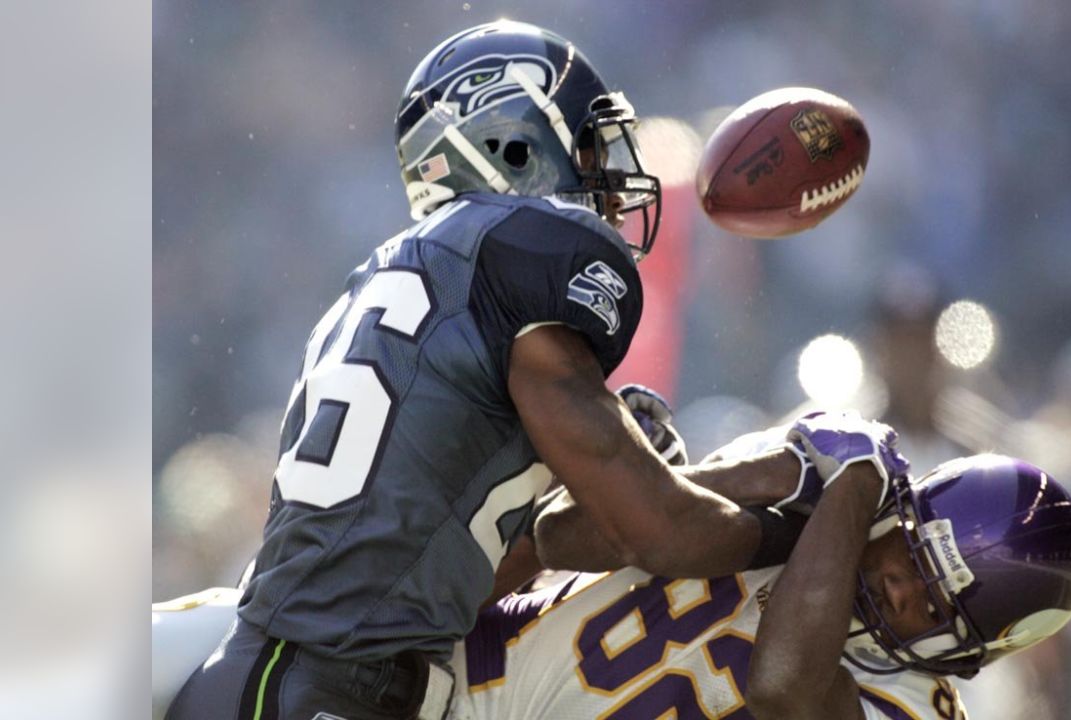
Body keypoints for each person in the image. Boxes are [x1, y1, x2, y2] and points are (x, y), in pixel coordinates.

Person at [164, 21, 893, 720]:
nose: (612, 179)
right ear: (512, 146)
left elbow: (473, 567)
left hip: (287, 679)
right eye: (588, 147)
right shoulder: (524, 254)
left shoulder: (396, 284)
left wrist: (618, 485)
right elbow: (664, 534)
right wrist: (806, 523)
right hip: (326, 691)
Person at [156, 411, 1071, 720]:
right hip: (420, 663)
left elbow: (785, 683)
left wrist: (846, 482)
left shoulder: (916, 707)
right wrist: (749, 470)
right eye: (908, 558)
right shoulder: (815, 527)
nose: (897, 586)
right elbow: (577, 536)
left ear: (972, 655)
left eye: (932, 602)